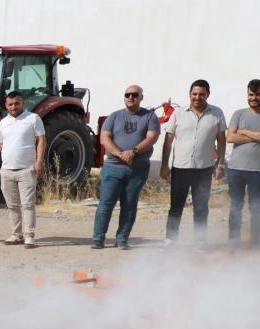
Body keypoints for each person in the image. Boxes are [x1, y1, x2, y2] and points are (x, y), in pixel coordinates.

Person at [89, 85, 161, 250]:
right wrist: (121, 154)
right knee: (106, 203)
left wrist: (134, 152)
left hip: (138, 168)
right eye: (127, 94)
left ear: (141, 97)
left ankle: (122, 239)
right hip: (113, 167)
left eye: (135, 95)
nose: (131, 97)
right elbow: (104, 138)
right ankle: (98, 238)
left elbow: (152, 138)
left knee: (129, 204)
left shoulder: (150, 117)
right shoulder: (114, 117)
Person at [160, 79, 227, 248]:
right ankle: (171, 239)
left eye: (201, 94)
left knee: (201, 207)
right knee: (176, 206)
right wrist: (164, 165)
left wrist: (220, 164)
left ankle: (199, 240)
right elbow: (168, 141)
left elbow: (222, 141)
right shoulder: (179, 113)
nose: (197, 97)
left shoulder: (217, 113)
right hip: (180, 168)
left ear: (207, 95)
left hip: (204, 169)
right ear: (190, 94)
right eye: (194, 94)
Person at [0, 90, 46, 248]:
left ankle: (29, 235)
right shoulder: (3, 122)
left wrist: (39, 161)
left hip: (26, 169)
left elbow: (41, 140)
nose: (13, 107)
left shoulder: (33, 119)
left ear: (22, 103)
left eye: (17, 103)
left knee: (27, 204)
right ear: (6, 105)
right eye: (10, 104)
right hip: (6, 170)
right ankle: (16, 234)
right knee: (12, 205)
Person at [225, 79, 260, 246]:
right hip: (236, 169)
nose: (254, 98)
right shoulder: (238, 114)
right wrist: (255, 136)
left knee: (256, 209)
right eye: (251, 94)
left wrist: (244, 131)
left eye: (258, 95)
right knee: (235, 206)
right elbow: (230, 137)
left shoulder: (243, 122)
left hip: (257, 171)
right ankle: (233, 240)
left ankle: (255, 242)